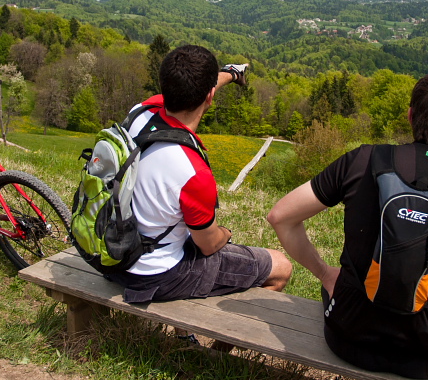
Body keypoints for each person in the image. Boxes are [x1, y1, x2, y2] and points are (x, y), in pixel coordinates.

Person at [267, 70, 428, 380]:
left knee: (343, 284)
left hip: (347, 337)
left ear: (410, 115)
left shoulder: (363, 160)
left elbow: (281, 217)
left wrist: (326, 274)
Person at [104, 44, 292, 306]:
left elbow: (190, 87)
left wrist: (230, 73)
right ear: (209, 97)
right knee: (281, 267)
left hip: (113, 254)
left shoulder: (139, 113)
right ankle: (223, 335)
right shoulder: (192, 171)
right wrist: (225, 233)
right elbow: (208, 245)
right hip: (155, 276)